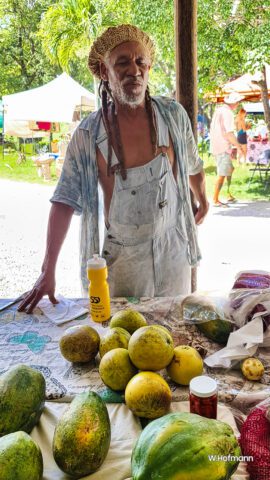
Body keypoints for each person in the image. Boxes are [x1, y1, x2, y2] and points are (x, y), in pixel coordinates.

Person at [18, 24, 209, 313]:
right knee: (122, 340)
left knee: (175, 335)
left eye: (140, 61)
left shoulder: (172, 116)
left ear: (149, 67)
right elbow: (64, 200)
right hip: (123, 262)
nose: (134, 69)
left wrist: (204, 200)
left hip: (173, 251)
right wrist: (48, 269)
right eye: (122, 62)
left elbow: (193, 165)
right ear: (104, 72)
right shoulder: (89, 134)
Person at [210, 92, 245, 206]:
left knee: (229, 169)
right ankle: (215, 199)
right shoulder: (228, 113)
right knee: (222, 173)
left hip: (217, 145)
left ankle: (228, 194)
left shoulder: (219, 110)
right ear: (234, 103)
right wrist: (239, 147)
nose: (238, 104)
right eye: (238, 102)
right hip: (223, 147)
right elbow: (229, 133)